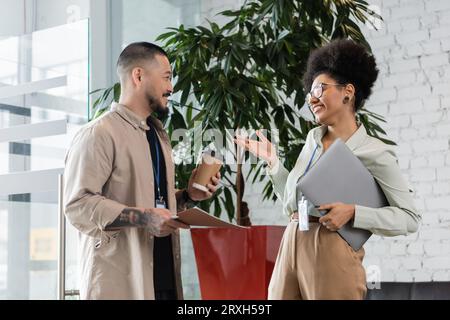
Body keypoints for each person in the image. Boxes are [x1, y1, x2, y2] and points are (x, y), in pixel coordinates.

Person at [235, 39, 421, 300]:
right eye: (310, 92)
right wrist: (273, 162)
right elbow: (293, 203)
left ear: (348, 92)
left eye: (320, 89)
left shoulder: (374, 151)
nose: (312, 98)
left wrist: (354, 212)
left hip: (331, 247)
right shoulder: (312, 139)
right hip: (291, 240)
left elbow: (409, 218)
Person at [64, 42, 221, 300]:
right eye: (167, 78)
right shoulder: (99, 134)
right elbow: (78, 206)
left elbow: (152, 202)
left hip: (163, 280)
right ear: (138, 76)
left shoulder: (158, 135)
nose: (171, 87)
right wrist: (143, 218)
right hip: (120, 285)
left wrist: (188, 196)